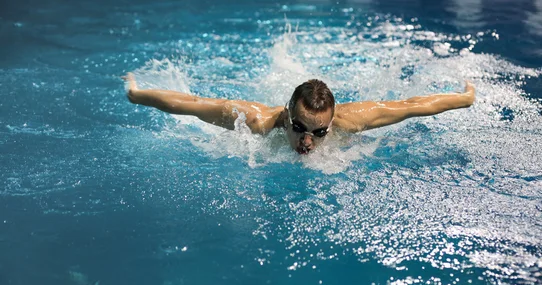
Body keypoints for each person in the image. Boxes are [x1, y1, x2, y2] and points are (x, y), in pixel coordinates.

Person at [123, 73, 475, 155]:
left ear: (332, 122)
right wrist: (138, 95)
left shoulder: (354, 119)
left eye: (319, 132)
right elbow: (192, 103)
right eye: (298, 127)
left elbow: (411, 107)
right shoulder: (258, 122)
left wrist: (465, 99)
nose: (306, 140)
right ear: (287, 112)